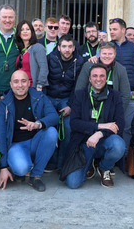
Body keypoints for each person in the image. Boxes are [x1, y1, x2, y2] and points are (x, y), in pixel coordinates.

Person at [0, 70, 58, 192]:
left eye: (23, 81)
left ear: (29, 83)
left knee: (51, 132)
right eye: (16, 82)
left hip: (35, 142)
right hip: (16, 145)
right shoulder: (4, 104)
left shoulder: (39, 97)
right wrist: (3, 167)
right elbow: (0, 134)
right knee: (21, 169)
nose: (20, 85)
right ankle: (22, 165)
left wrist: (37, 125)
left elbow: (54, 116)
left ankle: (35, 175)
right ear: (11, 84)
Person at [64, 64, 125, 189]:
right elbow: (74, 123)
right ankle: (89, 163)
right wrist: (100, 126)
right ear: (90, 79)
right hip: (84, 143)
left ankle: (104, 168)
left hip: (105, 141)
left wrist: (100, 133)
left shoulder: (115, 96)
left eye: (102, 76)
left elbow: (120, 124)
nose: (98, 79)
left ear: (106, 78)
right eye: (95, 76)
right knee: (73, 183)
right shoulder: (80, 94)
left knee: (119, 145)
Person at [46, 35, 83, 170]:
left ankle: (63, 162)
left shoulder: (80, 62)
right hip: (49, 97)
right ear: (59, 47)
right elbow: (44, 79)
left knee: (68, 128)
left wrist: (70, 105)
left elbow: (78, 86)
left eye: (69, 47)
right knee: (50, 128)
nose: (67, 50)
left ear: (73, 48)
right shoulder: (50, 58)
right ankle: (52, 160)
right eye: (64, 46)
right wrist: (45, 102)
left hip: (67, 99)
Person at [108, 18, 134, 151]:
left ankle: (122, 158)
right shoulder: (106, 46)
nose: (111, 32)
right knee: (110, 125)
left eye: (114, 29)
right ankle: (112, 155)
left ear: (123, 30)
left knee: (127, 127)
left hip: (130, 94)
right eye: (110, 29)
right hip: (110, 95)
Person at [75, 41, 131, 110]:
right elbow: (79, 89)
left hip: (112, 109)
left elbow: (126, 95)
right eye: (104, 53)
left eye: (110, 54)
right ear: (99, 54)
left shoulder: (121, 70)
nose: (107, 56)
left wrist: (117, 112)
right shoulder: (88, 66)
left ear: (115, 54)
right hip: (90, 107)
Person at [14, 20, 48, 92]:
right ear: (19, 33)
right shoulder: (21, 50)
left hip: (34, 88)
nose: (25, 31)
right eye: (22, 30)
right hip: (21, 88)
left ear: (32, 32)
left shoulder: (38, 47)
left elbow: (44, 68)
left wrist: (39, 85)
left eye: (27, 29)